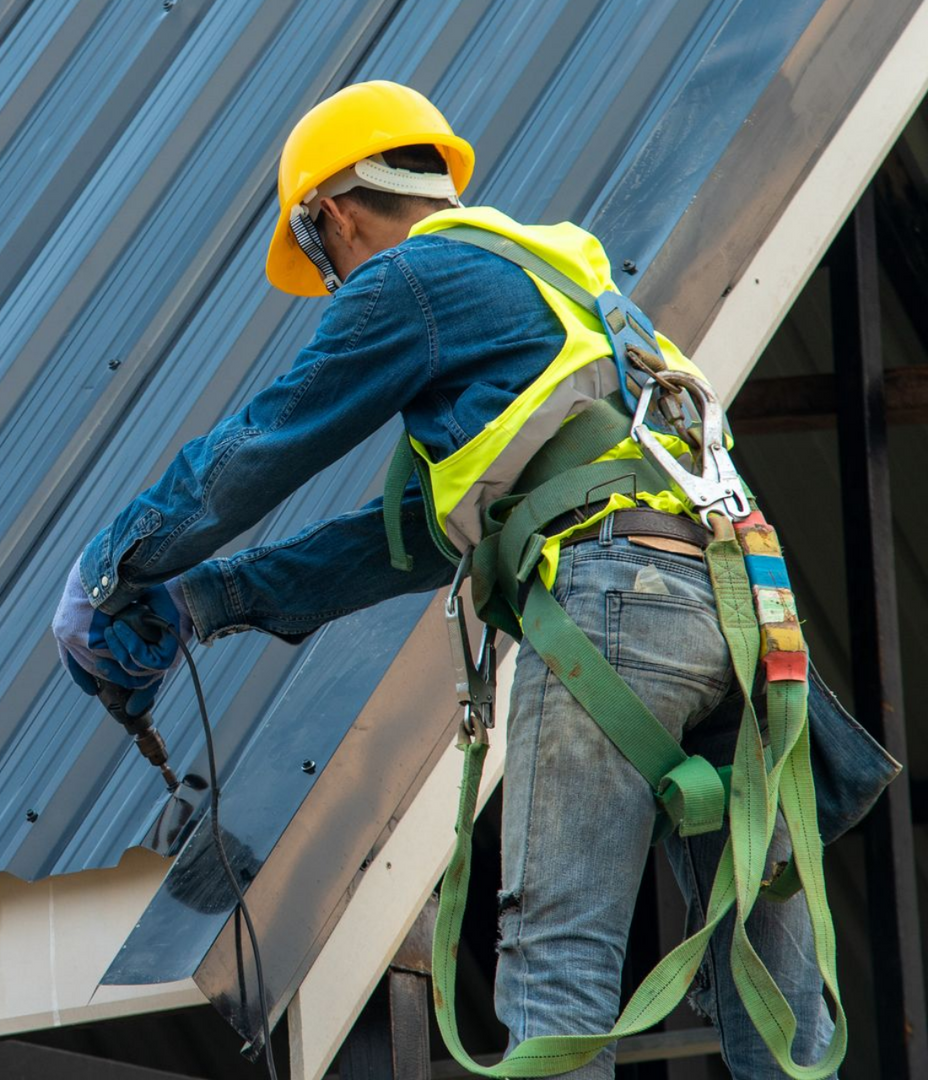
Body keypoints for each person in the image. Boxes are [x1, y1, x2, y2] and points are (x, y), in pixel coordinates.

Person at [51, 81, 889, 1079]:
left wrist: (110, 569)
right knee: (774, 988)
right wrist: (204, 601)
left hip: (613, 603)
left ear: (332, 216)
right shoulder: (558, 289)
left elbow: (265, 445)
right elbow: (408, 540)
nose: (335, 283)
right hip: (740, 612)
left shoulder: (411, 279)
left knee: (558, 961)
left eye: (323, 261)